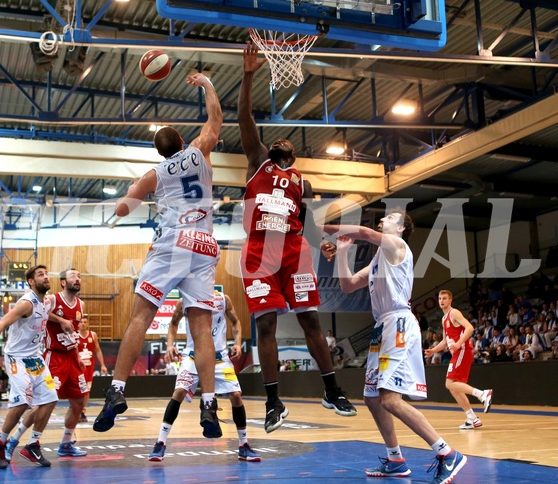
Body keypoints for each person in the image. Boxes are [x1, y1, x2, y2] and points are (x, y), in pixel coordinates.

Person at [93, 72, 224, 439]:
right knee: (201, 330)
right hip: (204, 244)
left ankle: (116, 391)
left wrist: (128, 192)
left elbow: (123, 209)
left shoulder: (156, 173)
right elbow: (215, 119)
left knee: (141, 317)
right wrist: (207, 85)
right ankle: (209, 403)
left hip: (171, 244)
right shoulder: (200, 151)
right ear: (182, 141)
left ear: (159, 151)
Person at [238, 42, 356, 433]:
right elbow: (244, 118)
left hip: (294, 251)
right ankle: (273, 403)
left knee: (310, 320)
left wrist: (321, 238)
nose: (283, 141)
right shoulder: (258, 162)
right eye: (279, 140)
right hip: (258, 251)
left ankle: (332, 389)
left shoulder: (301, 182)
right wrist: (249, 75)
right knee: (267, 327)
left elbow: (307, 218)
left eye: (289, 143)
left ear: (293, 156)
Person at [326, 211, 466, 483]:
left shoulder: (398, 246)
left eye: (389, 217)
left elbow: (365, 234)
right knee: (372, 397)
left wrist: (322, 228)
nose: (382, 220)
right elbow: (347, 285)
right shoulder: (379, 259)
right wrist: (342, 252)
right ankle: (396, 459)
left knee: (390, 399)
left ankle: (447, 453)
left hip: (399, 324)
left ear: (400, 228)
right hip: (382, 327)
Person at [0, 265, 70, 469]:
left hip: (35, 358)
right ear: (31, 282)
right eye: (41, 275)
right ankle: (0, 443)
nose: (46, 277)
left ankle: (32, 444)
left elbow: (46, 313)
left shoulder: (45, 301)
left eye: (47, 273)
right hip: (17, 358)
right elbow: (2, 323)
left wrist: (62, 320)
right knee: (23, 402)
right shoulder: (26, 303)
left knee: (50, 399)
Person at [148, 292, 261, 462]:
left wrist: (237, 343)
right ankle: (160, 443)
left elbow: (236, 321)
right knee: (179, 391)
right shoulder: (184, 301)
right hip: (192, 356)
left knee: (236, 395)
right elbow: (173, 324)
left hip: (219, 357)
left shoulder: (223, 299)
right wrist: (170, 345)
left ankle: (243, 445)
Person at [4, 268, 90, 460]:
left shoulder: (81, 304)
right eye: (73, 276)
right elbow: (39, 309)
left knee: (78, 402)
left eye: (80, 277)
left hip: (71, 357)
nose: (78, 279)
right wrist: (60, 319)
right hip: (55, 357)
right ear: (63, 282)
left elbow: (73, 332)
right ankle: (14, 440)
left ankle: (66, 443)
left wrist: (77, 356)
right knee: (43, 403)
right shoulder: (51, 299)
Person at [425, 290, 493, 430]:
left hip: (462, 350)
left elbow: (470, 328)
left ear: (450, 300)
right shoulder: (444, 319)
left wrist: (459, 342)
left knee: (449, 383)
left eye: (444, 298)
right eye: (439, 298)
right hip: (457, 353)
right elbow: (445, 341)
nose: (441, 301)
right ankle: (472, 418)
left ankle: (482, 394)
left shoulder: (454, 313)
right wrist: (434, 350)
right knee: (454, 388)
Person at [77, 316, 108, 422]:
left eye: (85, 322)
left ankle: (82, 411)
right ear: (78, 324)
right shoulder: (75, 336)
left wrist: (103, 365)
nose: (83, 324)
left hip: (89, 367)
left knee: (86, 390)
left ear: (88, 324)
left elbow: (98, 351)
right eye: (81, 322)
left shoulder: (93, 335)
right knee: (78, 390)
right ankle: (76, 410)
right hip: (77, 367)